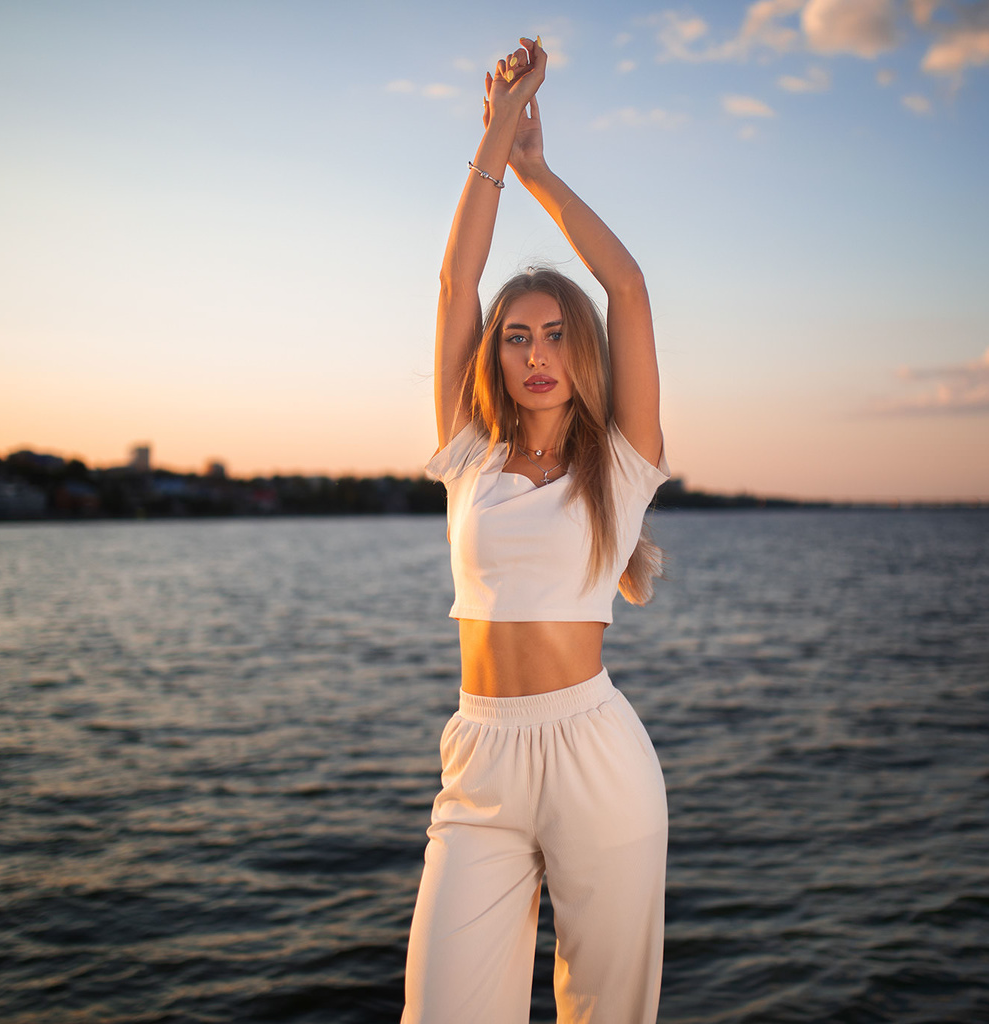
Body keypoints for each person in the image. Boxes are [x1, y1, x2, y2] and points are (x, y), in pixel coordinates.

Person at [402, 36, 669, 1024]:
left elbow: (629, 286)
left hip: (597, 759)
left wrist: (541, 174)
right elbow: (451, 284)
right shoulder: (468, 454)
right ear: (496, 356)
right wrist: (496, 132)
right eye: (516, 335)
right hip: (478, 760)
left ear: (580, 348)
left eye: (555, 332)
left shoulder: (622, 465)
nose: (535, 351)